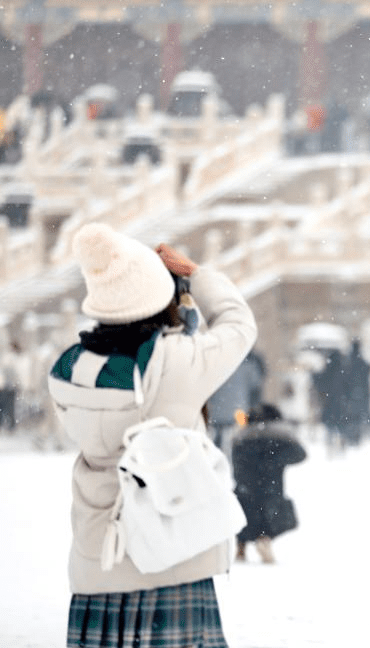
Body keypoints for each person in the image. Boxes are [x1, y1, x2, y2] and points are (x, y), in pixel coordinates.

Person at [48, 222, 257, 648]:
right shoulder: (178, 361)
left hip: (98, 561)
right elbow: (238, 324)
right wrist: (195, 275)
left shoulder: (70, 371)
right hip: (171, 556)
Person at [231, 402, 307, 563]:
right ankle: (264, 540)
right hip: (271, 487)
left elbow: (235, 462)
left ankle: (241, 546)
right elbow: (300, 454)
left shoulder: (242, 438)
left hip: (245, 488)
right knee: (270, 515)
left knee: (244, 514)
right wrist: (274, 460)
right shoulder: (279, 439)